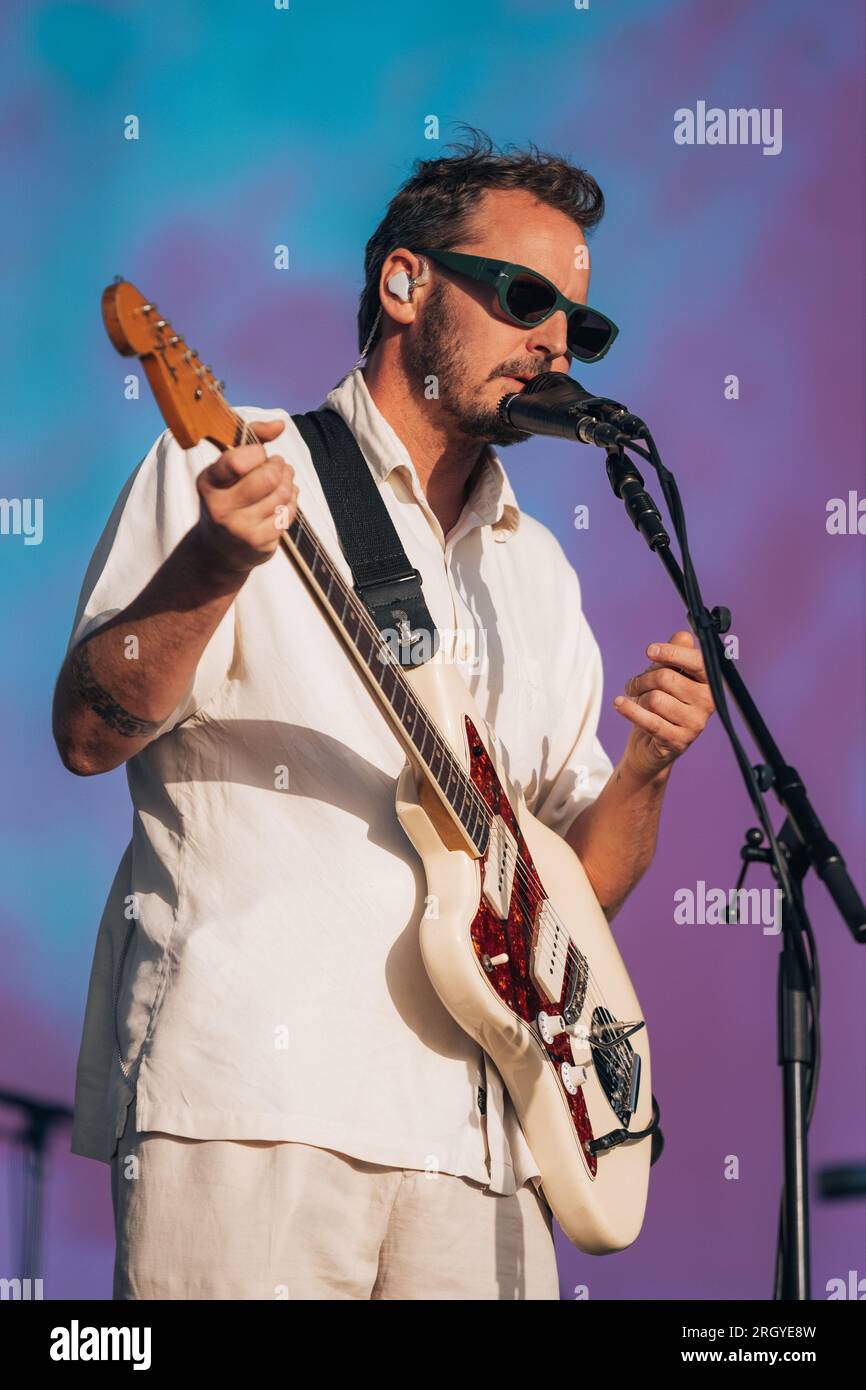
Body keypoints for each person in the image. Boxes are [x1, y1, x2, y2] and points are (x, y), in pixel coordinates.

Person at [52, 130, 714, 1300]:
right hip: (256, 1112)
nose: (554, 341)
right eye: (522, 297)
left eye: (580, 325)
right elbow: (89, 732)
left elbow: (574, 902)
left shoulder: (538, 573)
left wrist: (648, 768)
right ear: (404, 284)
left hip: (483, 1157)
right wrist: (212, 565)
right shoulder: (240, 464)